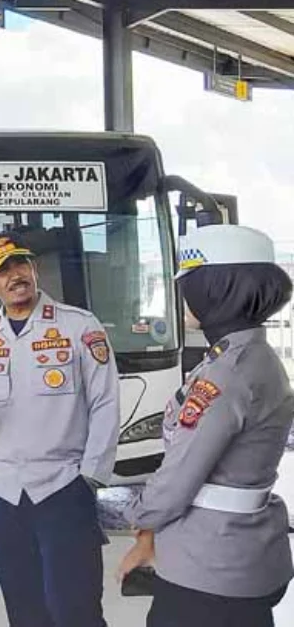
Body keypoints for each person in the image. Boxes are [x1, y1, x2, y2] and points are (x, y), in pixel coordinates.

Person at [0, 231, 119, 627]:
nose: (14, 275)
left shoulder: (79, 327)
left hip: (63, 486)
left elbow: (105, 404)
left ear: (34, 268)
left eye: (20, 263)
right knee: (23, 610)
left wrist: (90, 477)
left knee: (76, 610)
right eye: (1, 271)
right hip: (4, 493)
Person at [118, 224, 294, 627]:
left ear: (215, 288)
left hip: (209, 569)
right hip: (243, 555)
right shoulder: (250, 358)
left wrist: (138, 513)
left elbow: (179, 477)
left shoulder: (226, 374)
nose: (182, 296)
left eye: (189, 284)